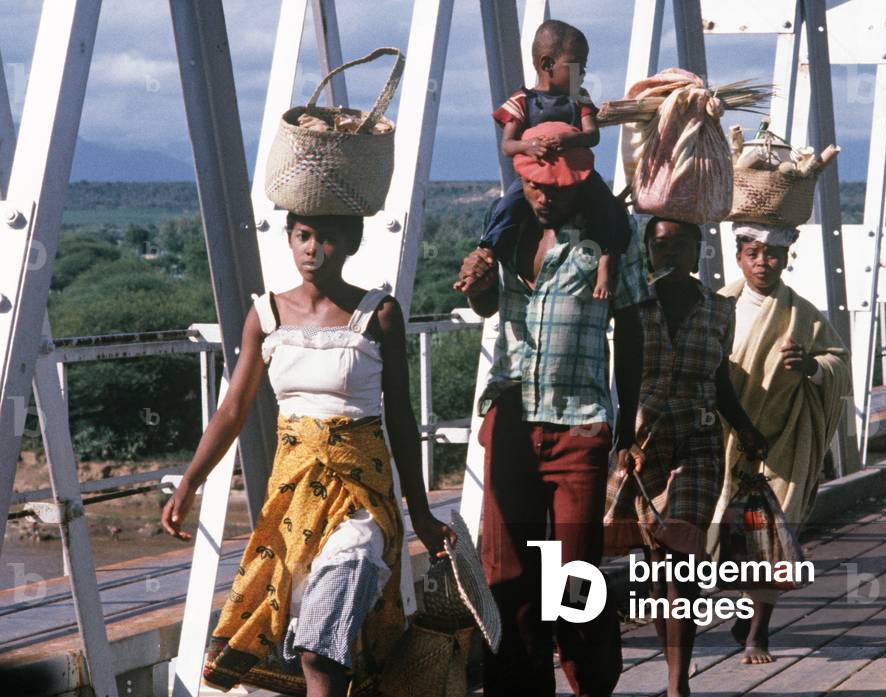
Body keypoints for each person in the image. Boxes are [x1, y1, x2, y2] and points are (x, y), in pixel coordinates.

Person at [161, 213, 454, 697]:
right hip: (293, 503)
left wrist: (419, 512)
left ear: (352, 242)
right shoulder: (266, 316)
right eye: (303, 236)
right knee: (316, 650)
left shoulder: (379, 314)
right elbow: (232, 409)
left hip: (361, 502)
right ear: (290, 240)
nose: (312, 249)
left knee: (320, 647)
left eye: (327, 238)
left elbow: (400, 417)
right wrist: (190, 481)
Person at [455, 131, 647, 697]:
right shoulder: (507, 235)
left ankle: (591, 683)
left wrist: (628, 422)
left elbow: (631, 329)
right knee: (506, 574)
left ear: (581, 183)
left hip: (578, 423)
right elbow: (487, 305)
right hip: (512, 420)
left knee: (574, 577)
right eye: (533, 185)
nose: (543, 197)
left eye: (555, 189)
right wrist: (478, 285)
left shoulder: (608, 244)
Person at [604, 218, 767, 697]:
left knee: (680, 556)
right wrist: (622, 442)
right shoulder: (632, 308)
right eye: (660, 244)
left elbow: (717, 380)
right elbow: (623, 379)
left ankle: (677, 684)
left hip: (698, 439)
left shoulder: (720, 310)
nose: (670, 252)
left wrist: (745, 427)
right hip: (644, 441)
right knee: (656, 562)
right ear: (647, 253)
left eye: (681, 243)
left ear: (699, 251)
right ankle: (675, 661)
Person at [710, 222, 852, 665]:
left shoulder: (803, 315)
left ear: (785, 259)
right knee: (719, 533)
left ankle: (758, 632)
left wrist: (810, 366)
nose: (762, 263)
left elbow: (838, 364)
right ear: (738, 256)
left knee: (773, 535)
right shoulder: (717, 309)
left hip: (784, 439)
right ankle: (744, 610)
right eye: (752, 253)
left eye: (772, 255)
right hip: (727, 438)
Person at [464, 18, 630, 300]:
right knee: (505, 207)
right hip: (536, 176)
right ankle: (488, 248)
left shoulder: (580, 99)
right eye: (577, 65)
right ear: (547, 64)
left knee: (610, 208)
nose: (583, 73)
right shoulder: (522, 100)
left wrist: (570, 139)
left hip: (577, 176)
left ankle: (607, 260)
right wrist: (528, 146)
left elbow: (592, 136)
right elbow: (508, 144)